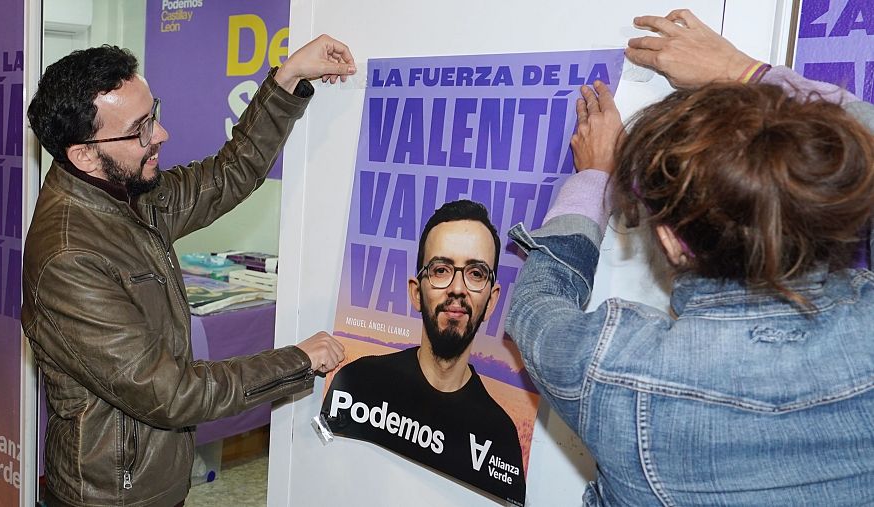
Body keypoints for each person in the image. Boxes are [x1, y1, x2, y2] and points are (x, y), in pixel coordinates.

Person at [506, 9, 874, 506]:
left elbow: (535, 306)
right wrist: (745, 73)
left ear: (674, 241)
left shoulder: (613, 369)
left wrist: (593, 177)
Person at [22, 36, 353, 507]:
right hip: (112, 497)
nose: (160, 135)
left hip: (157, 480)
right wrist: (297, 360)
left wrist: (288, 77)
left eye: (152, 113)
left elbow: (230, 172)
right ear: (84, 155)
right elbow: (173, 392)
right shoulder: (68, 259)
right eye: (140, 129)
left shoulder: (127, 193)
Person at [321, 200, 526, 506]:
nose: (457, 288)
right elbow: (320, 477)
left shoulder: (500, 436)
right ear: (416, 292)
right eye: (441, 270)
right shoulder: (357, 383)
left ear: (492, 301)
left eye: (476, 273)